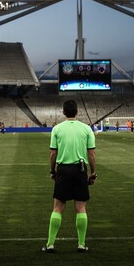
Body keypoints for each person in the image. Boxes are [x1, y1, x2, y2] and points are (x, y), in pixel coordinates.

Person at [43, 100, 96, 253]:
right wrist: (92, 172)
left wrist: (53, 171)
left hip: (63, 170)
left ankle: (50, 244)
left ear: (64, 112)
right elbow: (91, 154)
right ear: (77, 112)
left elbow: (53, 153)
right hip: (80, 170)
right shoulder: (86, 129)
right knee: (81, 208)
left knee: (58, 207)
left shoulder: (57, 129)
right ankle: (81, 244)